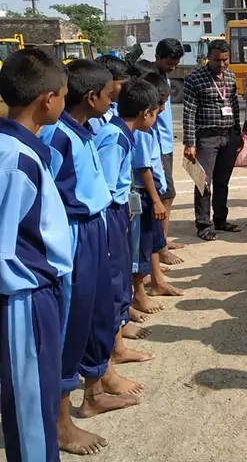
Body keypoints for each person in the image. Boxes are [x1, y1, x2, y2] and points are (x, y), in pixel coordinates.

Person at [38, 59, 138, 456]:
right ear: (91, 97)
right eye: (110, 96)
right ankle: (61, 424)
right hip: (75, 235)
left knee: (94, 312)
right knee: (70, 322)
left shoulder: (85, 129)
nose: (114, 103)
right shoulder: (57, 136)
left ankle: (94, 392)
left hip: (96, 227)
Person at [0, 49, 72, 462]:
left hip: (34, 292)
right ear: (48, 99)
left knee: (39, 398)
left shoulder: (19, 149)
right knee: (31, 410)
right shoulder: (16, 160)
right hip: (23, 296)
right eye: (63, 95)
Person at [93, 77, 161, 398]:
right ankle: (108, 359)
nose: (156, 118)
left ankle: (118, 347)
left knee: (120, 281)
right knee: (112, 282)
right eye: (156, 112)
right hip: (109, 215)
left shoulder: (125, 135)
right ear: (146, 113)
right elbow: (106, 188)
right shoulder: (115, 138)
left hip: (120, 212)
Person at [183, 39, 242, 241]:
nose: (222, 64)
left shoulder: (230, 76)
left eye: (225, 60)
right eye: (218, 60)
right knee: (203, 182)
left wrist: (237, 133)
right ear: (208, 57)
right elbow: (189, 112)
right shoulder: (194, 78)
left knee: (222, 181)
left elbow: (234, 105)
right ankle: (203, 225)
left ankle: (220, 219)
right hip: (206, 138)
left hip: (228, 136)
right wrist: (190, 143)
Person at [133, 71, 185, 301]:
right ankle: (140, 291)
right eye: (160, 105)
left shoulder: (150, 128)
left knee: (152, 241)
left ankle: (157, 281)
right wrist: (156, 200)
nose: (163, 109)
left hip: (153, 190)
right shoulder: (141, 132)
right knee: (141, 245)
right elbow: (143, 168)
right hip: (145, 194)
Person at [153, 38, 184, 261]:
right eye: (169, 63)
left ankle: (163, 239)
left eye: (176, 63)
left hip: (166, 144)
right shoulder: (151, 79)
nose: (173, 67)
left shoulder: (164, 77)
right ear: (158, 57)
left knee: (167, 195)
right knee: (164, 195)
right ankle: (160, 248)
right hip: (155, 147)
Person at [88, 54, 129, 133]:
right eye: (122, 85)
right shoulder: (94, 116)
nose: (126, 89)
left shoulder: (115, 106)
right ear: (108, 82)